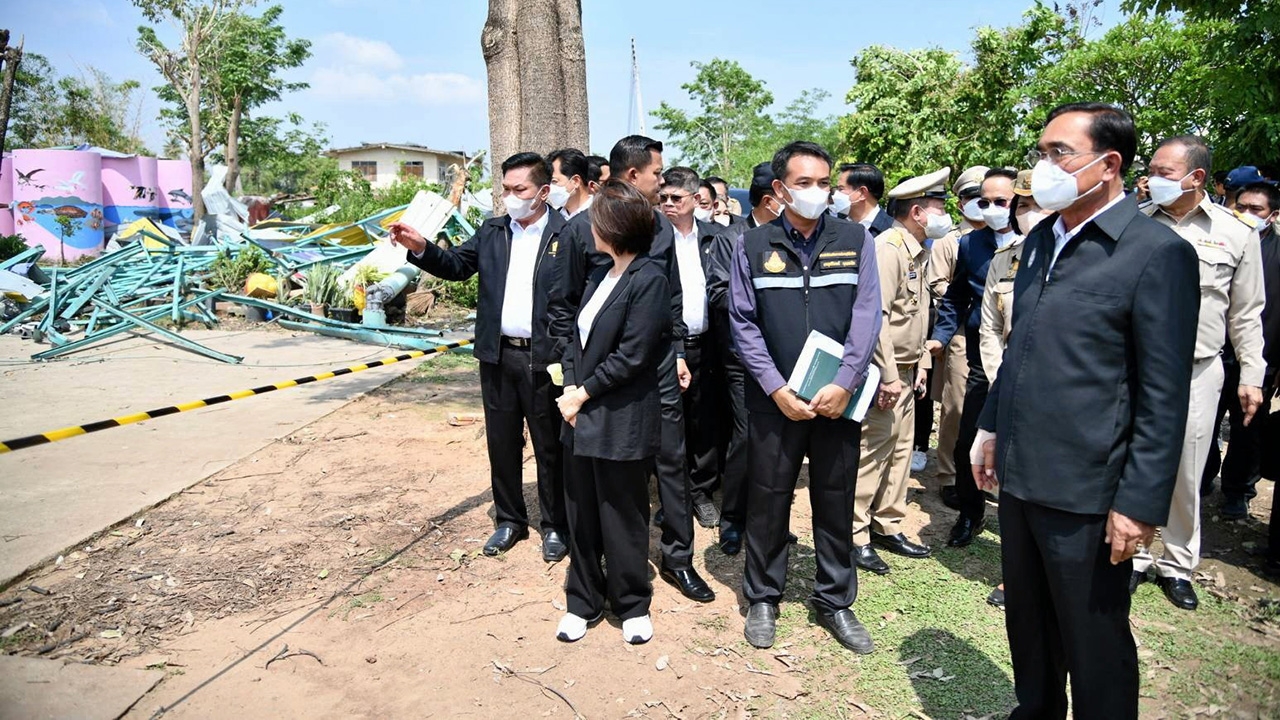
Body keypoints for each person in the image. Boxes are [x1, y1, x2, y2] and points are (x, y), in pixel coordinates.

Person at [972, 102, 1199, 719]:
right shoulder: (1042, 239)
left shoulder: (1156, 252)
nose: (1042, 167)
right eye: (1041, 152)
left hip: (1090, 492)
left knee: (1094, 640)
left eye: (1058, 153)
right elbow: (1023, 346)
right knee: (1030, 624)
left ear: (1109, 164)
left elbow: (1163, 393)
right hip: (1022, 475)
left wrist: (1139, 502)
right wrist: (991, 425)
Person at [549, 135, 715, 604]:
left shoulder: (661, 228)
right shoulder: (583, 230)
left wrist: (679, 350)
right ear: (633, 174)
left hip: (658, 368)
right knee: (601, 473)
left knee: (671, 462)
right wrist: (573, 377)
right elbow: (563, 309)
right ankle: (604, 561)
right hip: (600, 380)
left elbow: (674, 296)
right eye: (657, 173)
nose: (662, 181)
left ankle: (677, 558)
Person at [730, 141, 882, 653]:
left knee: (834, 499)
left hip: (837, 400)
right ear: (779, 189)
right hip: (774, 401)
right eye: (804, 183)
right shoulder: (752, 245)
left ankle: (835, 600)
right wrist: (775, 388)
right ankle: (764, 596)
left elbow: (866, 314)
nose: (817, 192)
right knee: (768, 499)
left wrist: (845, 380)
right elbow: (743, 323)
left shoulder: (855, 238)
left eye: (824, 183)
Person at [389, 152, 569, 561]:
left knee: (550, 446)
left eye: (519, 190)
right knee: (501, 442)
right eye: (505, 189)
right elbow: (456, 265)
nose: (510, 197)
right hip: (499, 355)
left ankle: (556, 525)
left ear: (543, 192)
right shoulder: (493, 232)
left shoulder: (567, 233)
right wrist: (421, 248)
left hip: (546, 358)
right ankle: (509, 520)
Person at [1131, 135, 1265, 611]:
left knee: (1187, 469)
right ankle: (1135, 555)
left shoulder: (1235, 233)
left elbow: (1247, 313)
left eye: (1164, 172)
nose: (1151, 179)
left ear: (1196, 178)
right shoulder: (1136, 221)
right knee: (1132, 460)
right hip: (1134, 366)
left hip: (1197, 369)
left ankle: (1177, 564)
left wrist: (1252, 372)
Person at [554, 179, 671, 645]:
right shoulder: (605, 273)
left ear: (615, 226)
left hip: (620, 415)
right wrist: (568, 389)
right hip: (579, 414)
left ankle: (631, 603)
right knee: (580, 511)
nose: (589, 226)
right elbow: (577, 342)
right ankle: (582, 601)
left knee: (622, 513)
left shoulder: (650, 277)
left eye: (596, 218)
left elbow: (634, 354)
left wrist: (582, 394)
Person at [850, 169, 945, 575]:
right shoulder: (889, 248)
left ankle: (887, 524)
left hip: (908, 368)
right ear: (919, 212)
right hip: (884, 371)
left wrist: (920, 364)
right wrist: (889, 374)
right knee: (873, 452)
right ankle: (854, 534)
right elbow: (878, 319)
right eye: (941, 208)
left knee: (901, 451)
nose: (947, 215)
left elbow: (919, 316)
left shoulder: (918, 249)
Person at [927, 167, 1018, 547]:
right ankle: (970, 513)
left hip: (1028, 355)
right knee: (971, 436)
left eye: (1002, 202)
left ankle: (1017, 524)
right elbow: (956, 297)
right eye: (986, 202)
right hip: (983, 354)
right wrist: (940, 336)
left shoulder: (1041, 241)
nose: (992, 208)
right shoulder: (971, 245)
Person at [707, 162, 786, 555]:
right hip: (743, 358)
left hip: (785, 359)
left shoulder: (788, 238)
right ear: (770, 200)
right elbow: (719, 293)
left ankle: (770, 519)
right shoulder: (730, 238)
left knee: (777, 442)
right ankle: (733, 519)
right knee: (746, 438)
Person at [974, 168, 1043, 609]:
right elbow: (990, 330)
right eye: (1022, 205)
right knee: (1009, 488)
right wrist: (1004, 385)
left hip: (1061, 397)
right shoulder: (1007, 260)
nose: (1026, 213)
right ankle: (1014, 576)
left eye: (1035, 204)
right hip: (1011, 388)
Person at [661, 167, 724, 529]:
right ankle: (672, 496)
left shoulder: (715, 238)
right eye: (663, 198)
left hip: (709, 345)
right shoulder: (654, 238)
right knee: (671, 425)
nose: (668, 204)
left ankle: (702, 492)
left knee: (705, 422)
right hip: (669, 347)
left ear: (695, 198)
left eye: (676, 198)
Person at [924, 166, 986, 509]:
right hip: (961, 331)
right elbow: (938, 285)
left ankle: (982, 473)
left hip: (997, 335)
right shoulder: (952, 240)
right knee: (957, 407)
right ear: (961, 203)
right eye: (972, 197)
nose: (979, 204)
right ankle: (949, 475)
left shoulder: (1010, 237)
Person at [835, 163, 894, 236]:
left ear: (862, 193)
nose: (836, 194)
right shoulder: (834, 225)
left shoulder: (891, 230)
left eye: (841, 189)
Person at [547, 148, 592, 219]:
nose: (549, 188)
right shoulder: (552, 219)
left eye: (554, 181)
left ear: (576, 181)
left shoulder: (601, 216)